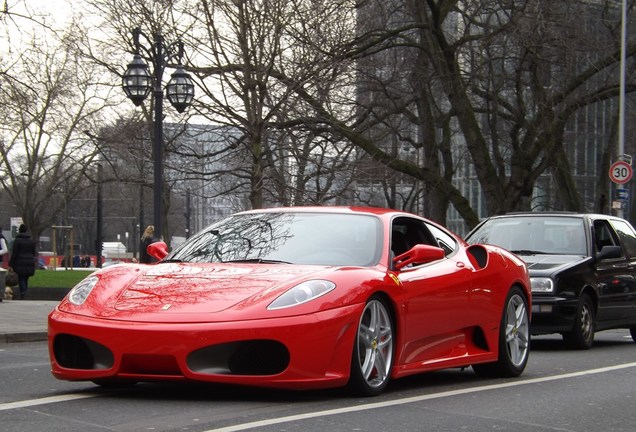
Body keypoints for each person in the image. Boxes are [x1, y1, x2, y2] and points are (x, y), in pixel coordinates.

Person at [8, 224, 37, 300]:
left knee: (21, 278)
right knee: (26, 278)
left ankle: (23, 293)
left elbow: (14, 253)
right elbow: (34, 253)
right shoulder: (31, 241)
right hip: (29, 262)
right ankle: (24, 292)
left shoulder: (17, 241)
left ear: (19, 231)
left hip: (19, 262)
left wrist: (10, 264)